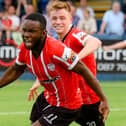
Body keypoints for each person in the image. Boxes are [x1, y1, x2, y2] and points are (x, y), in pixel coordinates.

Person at [0, 13, 109, 126]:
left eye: (32, 31)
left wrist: (103, 99)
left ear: (43, 33)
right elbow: (15, 70)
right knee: (34, 121)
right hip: (47, 98)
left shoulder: (57, 50)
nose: (26, 35)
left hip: (67, 106)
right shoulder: (24, 48)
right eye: (24, 30)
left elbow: (84, 70)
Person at [28, 1, 109, 126]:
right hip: (64, 99)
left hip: (87, 101)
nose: (58, 22)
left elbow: (95, 42)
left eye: (62, 18)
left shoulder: (75, 35)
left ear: (70, 19)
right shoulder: (55, 42)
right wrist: (38, 82)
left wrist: (74, 60)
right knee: (36, 117)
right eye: (54, 18)